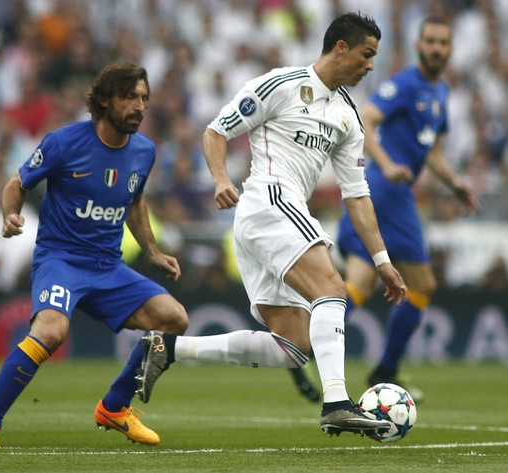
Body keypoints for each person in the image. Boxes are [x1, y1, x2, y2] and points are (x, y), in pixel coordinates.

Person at [136, 12, 407, 438]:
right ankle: (337, 402)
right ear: (341, 47)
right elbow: (215, 132)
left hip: (273, 218)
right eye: (367, 54)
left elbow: (356, 195)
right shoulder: (281, 84)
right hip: (268, 200)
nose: (370, 64)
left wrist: (382, 260)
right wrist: (222, 178)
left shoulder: (348, 117)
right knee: (332, 290)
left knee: (294, 347)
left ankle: (168, 347)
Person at [0, 62, 189, 448]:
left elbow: (135, 202)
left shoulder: (145, 151)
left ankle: (115, 407)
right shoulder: (63, 143)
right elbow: (17, 183)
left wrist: (152, 251)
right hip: (62, 261)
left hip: (108, 266)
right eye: (131, 97)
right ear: (104, 100)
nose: (140, 106)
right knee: (51, 332)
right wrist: (10, 214)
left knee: (175, 320)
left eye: (144, 98)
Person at [330, 16, 479, 397]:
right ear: (418, 45)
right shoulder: (405, 84)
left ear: (449, 49)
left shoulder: (440, 92)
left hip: (388, 192)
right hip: (389, 192)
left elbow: (432, 152)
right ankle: (386, 367)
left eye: (442, 43)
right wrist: (385, 162)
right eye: (429, 41)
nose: (435, 48)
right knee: (423, 284)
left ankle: (307, 344)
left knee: (360, 283)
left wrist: (455, 183)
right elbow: (367, 118)